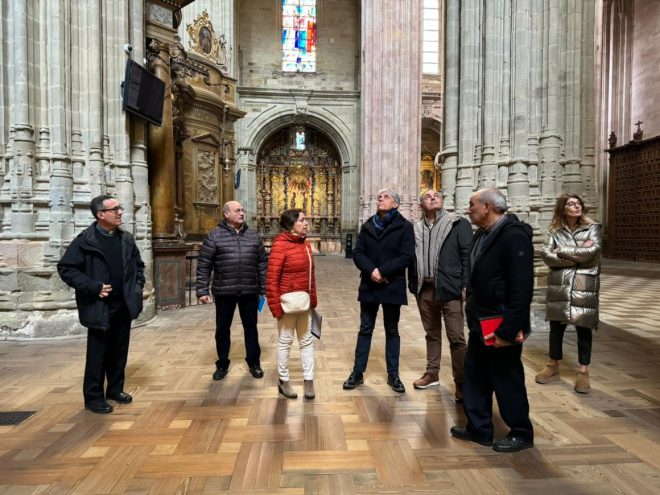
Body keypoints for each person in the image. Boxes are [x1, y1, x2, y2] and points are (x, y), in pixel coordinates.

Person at [450, 187, 534, 453]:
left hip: (501, 323)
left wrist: (509, 329)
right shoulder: (482, 234)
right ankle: (480, 428)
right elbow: (474, 269)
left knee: (507, 379)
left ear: (487, 206)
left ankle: (521, 432)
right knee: (475, 376)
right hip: (480, 321)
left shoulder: (513, 236)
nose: (468, 209)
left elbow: (521, 288)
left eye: (472, 204)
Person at [57, 195, 145, 414]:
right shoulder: (86, 239)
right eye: (115, 209)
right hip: (99, 306)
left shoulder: (125, 238)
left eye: (120, 208)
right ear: (100, 214)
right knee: (97, 354)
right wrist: (92, 286)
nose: (120, 212)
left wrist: (136, 287)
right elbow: (66, 268)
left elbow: (138, 266)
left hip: (122, 304)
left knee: (119, 350)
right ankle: (93, 398)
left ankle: (115, 389)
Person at [343, 189, 415, 393]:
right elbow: (358, 253)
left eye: (385, 197)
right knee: (365, 329)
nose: (380, 199)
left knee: (392, 330)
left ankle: (394, 375)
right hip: (370, 284)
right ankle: (357, 373)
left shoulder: (405, 227)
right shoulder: (368, 226)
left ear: (396, 204)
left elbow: (406, 256)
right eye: (379, 197)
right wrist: (372, 271)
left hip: (392, 284)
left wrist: (382, 271)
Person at [408, 189, 471, 401]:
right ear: (421, 205)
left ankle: (462, 383)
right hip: (424, 290)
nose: (433, 198)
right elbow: (411, 258)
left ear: (442, 201)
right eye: (427, 196)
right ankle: (432, 373)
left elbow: (466, 256)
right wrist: (412, 283)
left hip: (450, 288)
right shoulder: (415, 227)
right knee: (432, 334)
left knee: (456, 337)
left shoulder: (458, 223)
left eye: (436, 195)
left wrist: (465, 285)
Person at [536, 193, 601, 394]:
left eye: (578, 203)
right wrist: (577, 253)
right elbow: (547, 255)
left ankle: (583, 370)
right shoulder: (554, 230)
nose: (576, 206)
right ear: (563, 209)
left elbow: (593, 252)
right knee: (556, 326)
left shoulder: (592, 228)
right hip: (560, 283)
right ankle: (553, 365)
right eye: (571, 204)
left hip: (584, 283)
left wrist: (561, 251)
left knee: (584, 327)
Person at [196, 201, 268, 381]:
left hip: (249, 291)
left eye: (243, 210)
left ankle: (254, 362)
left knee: (251, 328)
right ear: (226, 214)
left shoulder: (253, 236)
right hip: (224, 291)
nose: (242, 213)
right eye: (237, 211)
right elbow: (204, 264)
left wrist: (265, 288)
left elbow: (262, 264)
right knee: (222, 329)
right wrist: (202, 290)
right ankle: (222, 364)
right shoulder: (214, 236)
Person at [266, 209, 318, 400]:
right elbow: (271, 279)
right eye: (303, 220)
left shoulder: (305, 244)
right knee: (285, 342)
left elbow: (311, 276)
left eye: (306, 220)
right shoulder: (280, 245)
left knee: (306, 341)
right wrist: (275, 307)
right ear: (292, 224)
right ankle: (283, 380)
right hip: (287, 304)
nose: (306, 223)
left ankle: (309, 380)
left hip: (304, 302)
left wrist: (313, 300)